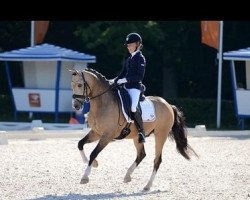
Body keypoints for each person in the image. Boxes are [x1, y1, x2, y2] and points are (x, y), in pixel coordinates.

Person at [114, 32, 146, 143]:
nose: (128, 47)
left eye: (130, 45)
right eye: (127, 45)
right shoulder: (129, 59)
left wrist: (126, 80)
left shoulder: (140, 58)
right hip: (125, 86)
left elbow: (139, 76)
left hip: (135, 88)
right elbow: (122, 73)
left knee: (133, 107)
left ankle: (141, 132)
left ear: (137, 44)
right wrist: (114, 80)